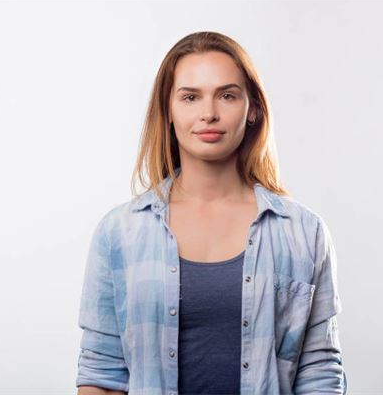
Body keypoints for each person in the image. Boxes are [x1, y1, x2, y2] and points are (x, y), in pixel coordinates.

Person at [76, 31, 347, 395]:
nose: (208, 114)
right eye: (190, 97)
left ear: (253, 109)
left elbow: (319, 374)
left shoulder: (303, 232)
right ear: (168, 111)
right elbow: (102, 376)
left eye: (227, 95)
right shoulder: (119, 233)